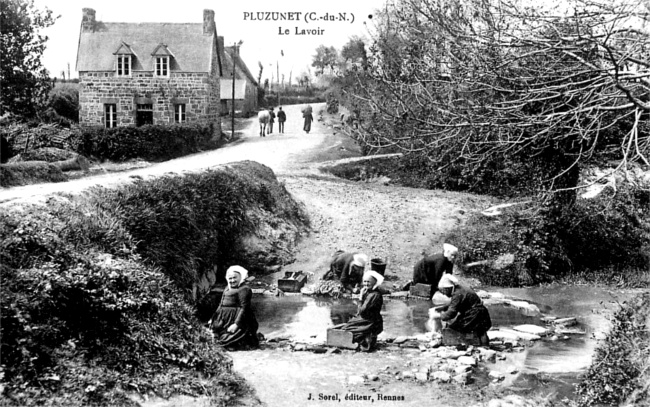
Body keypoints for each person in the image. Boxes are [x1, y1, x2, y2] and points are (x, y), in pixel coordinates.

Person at [333, 270, 384, 351]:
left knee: (347, 329)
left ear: (374, 283)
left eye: (369, 282)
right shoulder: (370, 293)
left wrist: (360, 298)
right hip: (367, 319)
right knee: (348, 325)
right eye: (365, 282)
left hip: (370, 321)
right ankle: (365, 338)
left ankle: (366, 339)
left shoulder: (374, 295)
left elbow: (362, 311)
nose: (366, 284)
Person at [209, 265, 259, 349]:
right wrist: (213, 318)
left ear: (241, 277)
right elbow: (221, 305)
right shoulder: (227, 288)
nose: (232, 280)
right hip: (225, 319)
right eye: (230, 278)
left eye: (234, 278)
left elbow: (244, 308)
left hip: (239, 320)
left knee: (226, 340)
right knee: (214, 336)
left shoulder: (244, 289)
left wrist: (236, 324)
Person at [436, 274, 492, 345]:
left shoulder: (457, 294)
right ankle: (483, 345)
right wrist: (442, 308)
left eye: (443, 291)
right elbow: (454, 303)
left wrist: (439, 315)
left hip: (475, 314)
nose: (444, 294)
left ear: (447, 288)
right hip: (480, 312)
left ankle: (468, 342)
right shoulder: (459, 289)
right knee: (481, 331)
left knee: (456, 327)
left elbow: (451, 313)